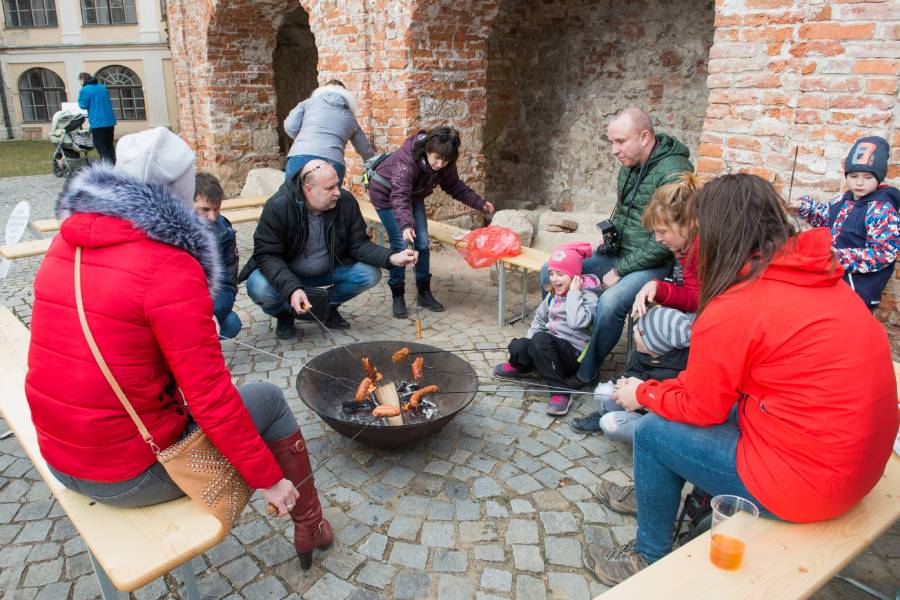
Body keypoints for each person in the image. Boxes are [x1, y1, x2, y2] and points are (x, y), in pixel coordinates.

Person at [25, 127, 333, 569]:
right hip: (125, 472)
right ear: (181, 197)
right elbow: (210, 397)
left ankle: (310, 523)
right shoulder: (170, 265)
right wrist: (268, 479)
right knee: (267, 399)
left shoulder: (64, 243)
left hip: (60, 454)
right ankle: (309, 521)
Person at [584, 174, 898, 586]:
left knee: (653, 435)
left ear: (716, 235)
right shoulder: (819, 279)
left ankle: (647, 555)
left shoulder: (736, 305)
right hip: (858, 467)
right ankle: (653, 495)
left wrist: (642, 392)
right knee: (713, 410)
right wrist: (658, 392)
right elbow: (717, 393)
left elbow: (701, 407)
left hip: (809, 484)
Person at [541, 108, 693, 383]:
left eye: (620, 141)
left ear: (644, 137)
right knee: (549, 271)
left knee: (610, 303)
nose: (614, 150)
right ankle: (558, 344)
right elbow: (625, 214)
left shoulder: (674, 172)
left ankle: (585, 371)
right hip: (621, 255)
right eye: (611, 142)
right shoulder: (629, 168)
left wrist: (620, 271)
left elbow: (667, 240)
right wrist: (609, 235)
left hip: (655, 263)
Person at [572, 172, 702, 436]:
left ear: (687, 224)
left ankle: (644, 402)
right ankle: (630, 394)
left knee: (645, 331)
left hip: (703, 328)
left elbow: (702, 304)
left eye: (662, 231)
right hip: (692, 318)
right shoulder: (687, 248)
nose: (658, 239)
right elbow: (692, 294)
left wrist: (655, 326)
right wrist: (658, 289)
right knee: (643, 325)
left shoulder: (702, 249)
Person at [241, 159, 418, 339]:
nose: (337, 193)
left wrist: (393, 257)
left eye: (337, 185)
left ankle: (326, 307)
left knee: (369, 274)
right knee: (258, 285)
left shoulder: (345, 201)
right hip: (290, 272)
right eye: (329, 188)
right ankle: (285, 314)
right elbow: (268, 255)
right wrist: (292, 289)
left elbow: (359, 244)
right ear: (308, 189)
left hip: (330, 269)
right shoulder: (279, 206)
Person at [368, 125, 495, 318]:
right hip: (386, 195)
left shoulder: (445, 161)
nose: (440, 164)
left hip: (413, 195)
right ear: (427, 149)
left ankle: (424, 292)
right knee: (401, 244)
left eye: (445, 161)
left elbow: (454, 186)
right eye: (437, 158)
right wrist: (406, 225)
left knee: (422, 242)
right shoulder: (406, 161)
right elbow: (399, 196)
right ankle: (397, 293)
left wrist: (480, 203)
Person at [789, 135, 899, 310]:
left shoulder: (881, 209)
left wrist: (836, 256)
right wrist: (801, 206)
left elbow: (883, 253)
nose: (859, 182)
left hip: (859, 292)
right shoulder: (845, 199)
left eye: (868, 177)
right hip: (834, 283)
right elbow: (825, 216)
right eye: (854, 176)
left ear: (879, 178)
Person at [493, 243, 599, 415]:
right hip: (548, 350)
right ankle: (523, 366)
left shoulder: (588, 297)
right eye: (551, 273)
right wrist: (529, 344)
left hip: (571, 355)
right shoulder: (553, 296)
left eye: (560, 274)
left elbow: (576, 322)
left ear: (574, 277)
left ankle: (560, 392)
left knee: (541, 339)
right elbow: (539, 318)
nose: (554, 279)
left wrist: (574, 293)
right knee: (518, 346)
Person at [283, 80, 374, 184]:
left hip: (300, 156)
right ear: (345, 94)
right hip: (333, 161)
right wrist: (374, 164)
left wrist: (304, 141)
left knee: (290, 197)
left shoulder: (307, 103)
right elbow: (364, 149)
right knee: (328, 198)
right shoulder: (350, 117)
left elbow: (290, 127)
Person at [193, 171, 242, 338]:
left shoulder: (224, 233)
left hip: (206, 305)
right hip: (175, 306)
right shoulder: (168, 230)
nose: (213, 217)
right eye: (205, 210)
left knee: (231, 323)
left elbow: (228, 285)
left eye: (217, 209)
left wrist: (210, 314)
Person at [77, 72, 117, 164]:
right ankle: (114, 164)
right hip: (109, 121)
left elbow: (83, 105)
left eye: (79, 81)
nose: (79, 83)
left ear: (82, 79)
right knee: (109, 145)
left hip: (98, 122)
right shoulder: (102, 87)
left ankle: (108, 166)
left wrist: (82, 91)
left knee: (100, 145)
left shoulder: (85, 89)